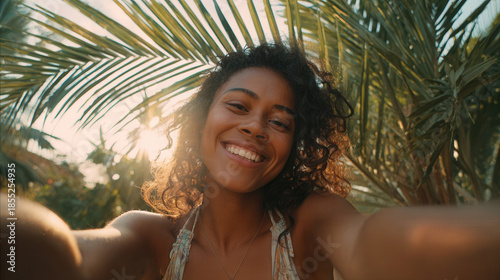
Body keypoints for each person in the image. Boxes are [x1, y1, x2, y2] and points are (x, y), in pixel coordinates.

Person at [1, 43, 499, 280]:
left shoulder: (310, 226)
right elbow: (71, 258)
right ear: (203, 121)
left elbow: (374, 245)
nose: (255, 127)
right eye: (238, 106)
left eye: (279, 121)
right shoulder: (153, 239)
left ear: (293, 145)